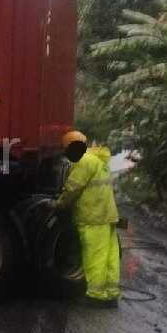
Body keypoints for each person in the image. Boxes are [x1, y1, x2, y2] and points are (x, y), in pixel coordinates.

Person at [54, 130, 121, 308]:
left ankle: (96, 296)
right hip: (107, 216)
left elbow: (72, 189)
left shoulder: (83, 162)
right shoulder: (99, 161)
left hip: (93, 218)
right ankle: (111, 294)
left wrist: (58, 205)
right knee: (110, 257)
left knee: (95, 258)